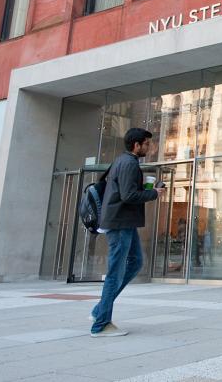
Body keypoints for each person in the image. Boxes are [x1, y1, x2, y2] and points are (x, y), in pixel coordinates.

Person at [90, 128, 165, 337]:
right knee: (115, 272)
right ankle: (100, 324)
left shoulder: (123, 161)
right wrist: (153, 193)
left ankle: (99, 310)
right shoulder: (129, 163)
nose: (149, 148)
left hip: (124, 222)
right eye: (147, 144)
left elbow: (123, 190)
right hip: (120, 223)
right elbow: (128, 195)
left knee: (135, 263)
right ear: (137, 145)